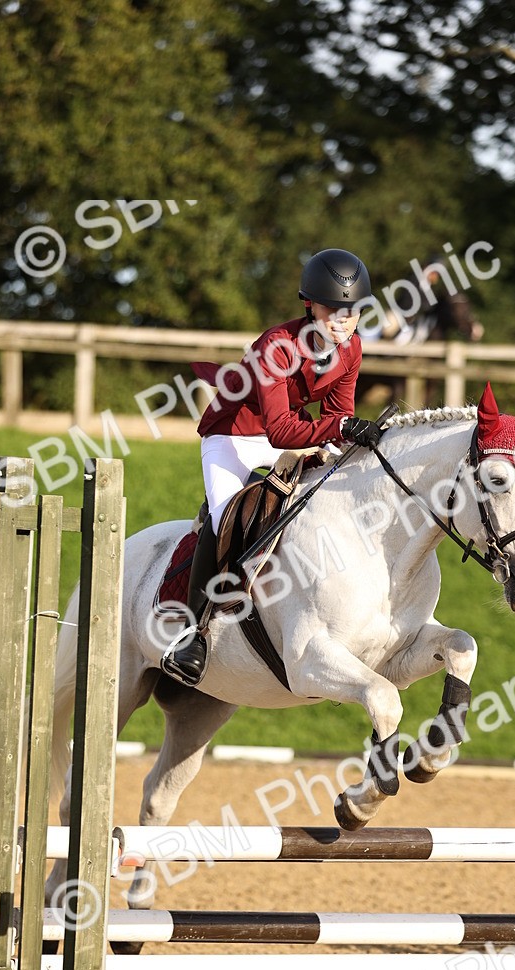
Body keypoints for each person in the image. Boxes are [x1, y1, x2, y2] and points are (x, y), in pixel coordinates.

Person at [161, 247, 385, 686]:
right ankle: (194, 633)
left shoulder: (351, 349)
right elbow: (283, 430)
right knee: (227, 519)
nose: (343, 321)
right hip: (234, 437)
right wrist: (340, 426)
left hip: (289, 429)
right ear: (309, 305)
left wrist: (347, 433)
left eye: (352, 312)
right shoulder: (277, 347)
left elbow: (337, 412)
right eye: (332, 310)